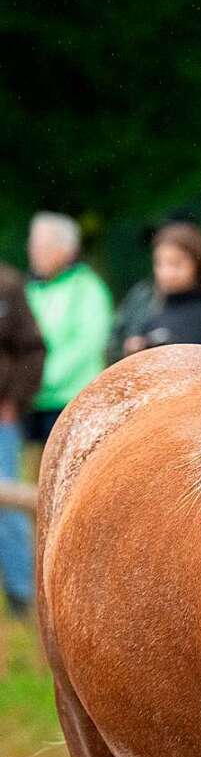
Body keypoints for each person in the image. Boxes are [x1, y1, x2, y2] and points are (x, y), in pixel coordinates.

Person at [24, 212, 113, 447]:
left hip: (71, 402)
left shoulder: (88, 289)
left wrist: (38, 377)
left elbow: (87, 345)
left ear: (67, 250)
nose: (34, 252)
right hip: (30, 403)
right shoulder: (30, 289)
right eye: (32, 244)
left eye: (43, 246)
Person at [121, 222, 201, 354]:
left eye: (175, 264)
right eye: (160, 264)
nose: (166, 273)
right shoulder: (151, 307)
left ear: (197, 263)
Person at [0, 264, 44, 617]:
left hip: (2, 418)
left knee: (8, 507)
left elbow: (33, 348)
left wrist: (15, 401)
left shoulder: (8, 285)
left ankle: (21, 598)